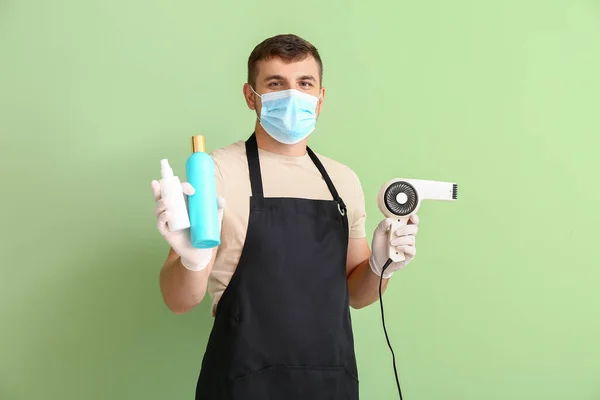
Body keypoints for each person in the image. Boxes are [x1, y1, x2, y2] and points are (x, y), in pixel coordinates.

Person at [151, 33, 420, 400]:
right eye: (276, 84)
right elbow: (178, 301)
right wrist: (192, 260)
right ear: (251, 96)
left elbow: (357, 297)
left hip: (330, 383)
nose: (292, 95)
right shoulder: (216, 172)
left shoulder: (342, 180)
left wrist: (379, 265)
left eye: (304, 83)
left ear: (320, 97)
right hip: (242, 383)